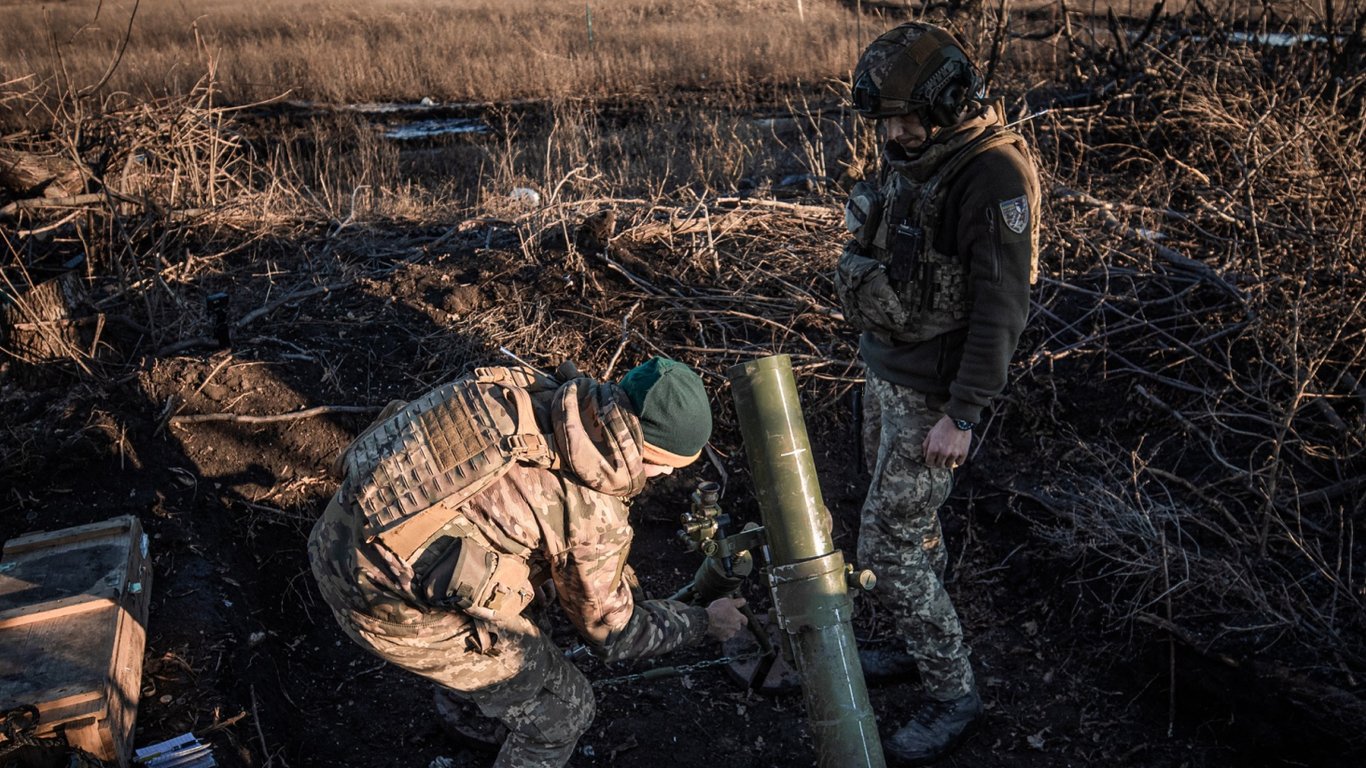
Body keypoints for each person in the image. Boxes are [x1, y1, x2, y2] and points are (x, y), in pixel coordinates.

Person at [309, 356, 748, 768]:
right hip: (380, 604)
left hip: (342, 529)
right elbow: (615, 635)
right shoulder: (592, 512)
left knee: (537, 593)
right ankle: (496, 703)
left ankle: (474, 705)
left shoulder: (525, 389)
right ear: (647, 451)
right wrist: (703, 622)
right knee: (565, 713)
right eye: (666, 466)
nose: (666, 476)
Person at [835, 21, 1041, 766]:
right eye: (883, 121)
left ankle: (954, 690)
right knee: (907, 530)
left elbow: (1001, 307)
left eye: (903, 119)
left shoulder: (990, 177)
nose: (891, 134)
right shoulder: (916, 157)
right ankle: (911, 644)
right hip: (889, 373)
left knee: (887, 548)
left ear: (949, 104)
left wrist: (963, 413)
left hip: (935, 396)